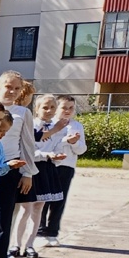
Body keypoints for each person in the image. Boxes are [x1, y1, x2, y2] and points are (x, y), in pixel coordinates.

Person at [0, 71, 37, 258]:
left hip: (11, 168)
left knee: (5, 214)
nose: (12, 91)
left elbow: (27, 143)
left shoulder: (22, 113)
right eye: (8, 87)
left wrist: (27, 173)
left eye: (17, 88)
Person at [12, 95, 65, 258]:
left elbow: (58, 144)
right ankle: (15, 244)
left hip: (47, 169)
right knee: (26, 208)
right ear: (37, 108)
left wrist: (57, 155)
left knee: (38, 209)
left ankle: (29, 244)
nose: (49, 111)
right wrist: (45, 154)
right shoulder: (31, 124)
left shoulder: (58, 127)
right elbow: (28, 148)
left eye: (52, 108)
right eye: (45, 107)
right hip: (31, 167)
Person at [37, 94, 86, 246]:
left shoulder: (77, 126)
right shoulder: (49, 125)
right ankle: (40, 231)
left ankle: (52, 232)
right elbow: (47, 144)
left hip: (66, 167)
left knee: (59, 200)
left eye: (71, 108)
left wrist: (74, 143)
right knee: (44, 199)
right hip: (49, 164)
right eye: (64, 107)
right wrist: (65, 140)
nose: (67, 111)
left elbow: (82, 149)